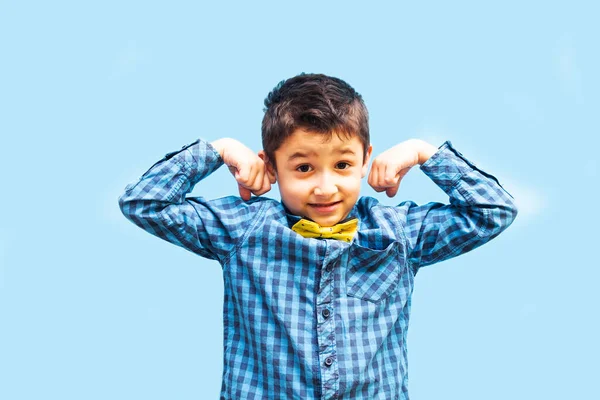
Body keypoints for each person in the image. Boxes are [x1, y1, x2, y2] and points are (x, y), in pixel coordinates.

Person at [119, 73, 517, 399]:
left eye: (342, 164)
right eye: (304, 168)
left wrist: (422, 153)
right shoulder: (242, 230)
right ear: (271, 168)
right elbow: (143, 203)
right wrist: (219, 150)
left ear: (365, 160)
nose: (325, 187)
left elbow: (493, 211)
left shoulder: (399, 234)